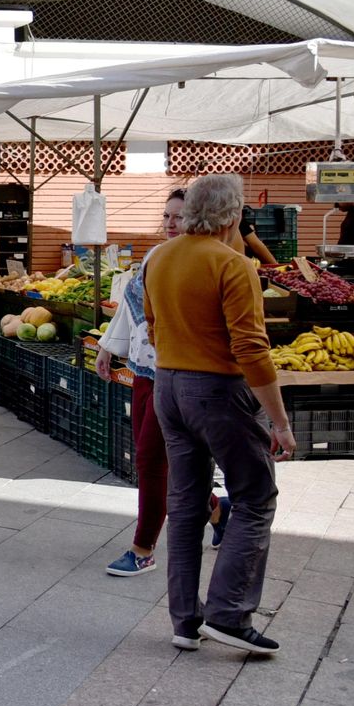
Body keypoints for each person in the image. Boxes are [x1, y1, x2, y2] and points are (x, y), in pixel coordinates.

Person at [144, 174, 296, 656]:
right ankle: (229, 615)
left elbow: (152, 327)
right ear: (234, 217)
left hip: (167, 387)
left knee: (186, 505)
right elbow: (251, 349)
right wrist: (281, 423)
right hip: (218, 390)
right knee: (254, 497)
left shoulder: (159, 258)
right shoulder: (233, 265)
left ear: (189, 212)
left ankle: (184, 622)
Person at [96, 189, 228, 578]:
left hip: (178, 374)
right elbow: (130, 306)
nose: (171, 223)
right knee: (151, 457)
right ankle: (217, 509)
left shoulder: (208, 260)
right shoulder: (156, 256)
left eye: (179, 216)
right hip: (143, 368)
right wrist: (108, 348)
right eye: (167, 216)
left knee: (151, 461)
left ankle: (143, 549)